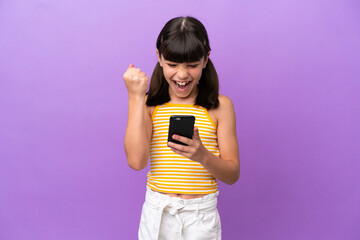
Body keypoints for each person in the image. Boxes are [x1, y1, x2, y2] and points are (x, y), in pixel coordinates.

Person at [123, 16, 240, 240]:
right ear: (159, 58)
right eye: (173, 64)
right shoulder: (149, 105)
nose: (182, 74)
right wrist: (135, 97)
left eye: (192, 65)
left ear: (206, 60)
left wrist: (202, 155)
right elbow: (136, 162)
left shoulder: (220, 106)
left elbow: (232, 175)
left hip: (200, 218)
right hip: (157, 214)